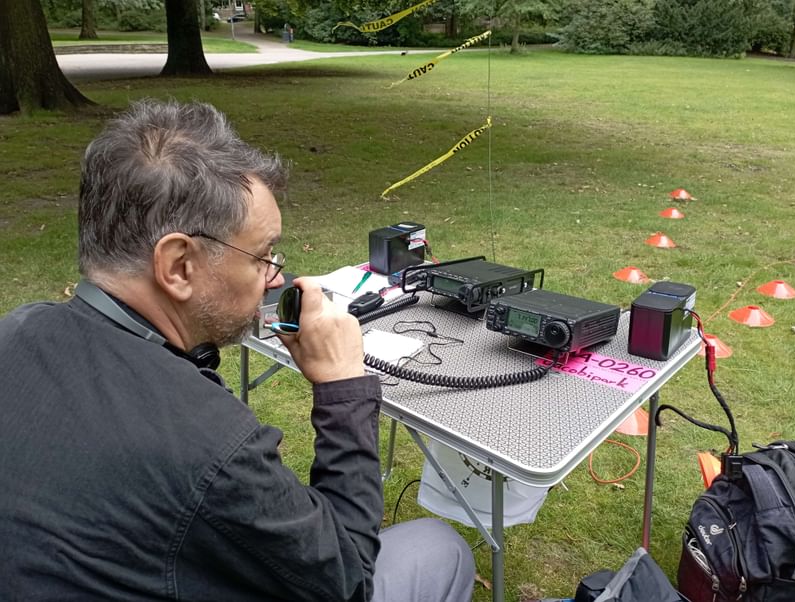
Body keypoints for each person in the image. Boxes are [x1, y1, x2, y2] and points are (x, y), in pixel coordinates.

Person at [0, 100, 475, 601]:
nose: (275, 278)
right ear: (178, 266)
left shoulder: (17, 329)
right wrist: (343, 387)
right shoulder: (207, 444)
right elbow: (347, 580)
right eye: (262, 256)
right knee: (440, 549)